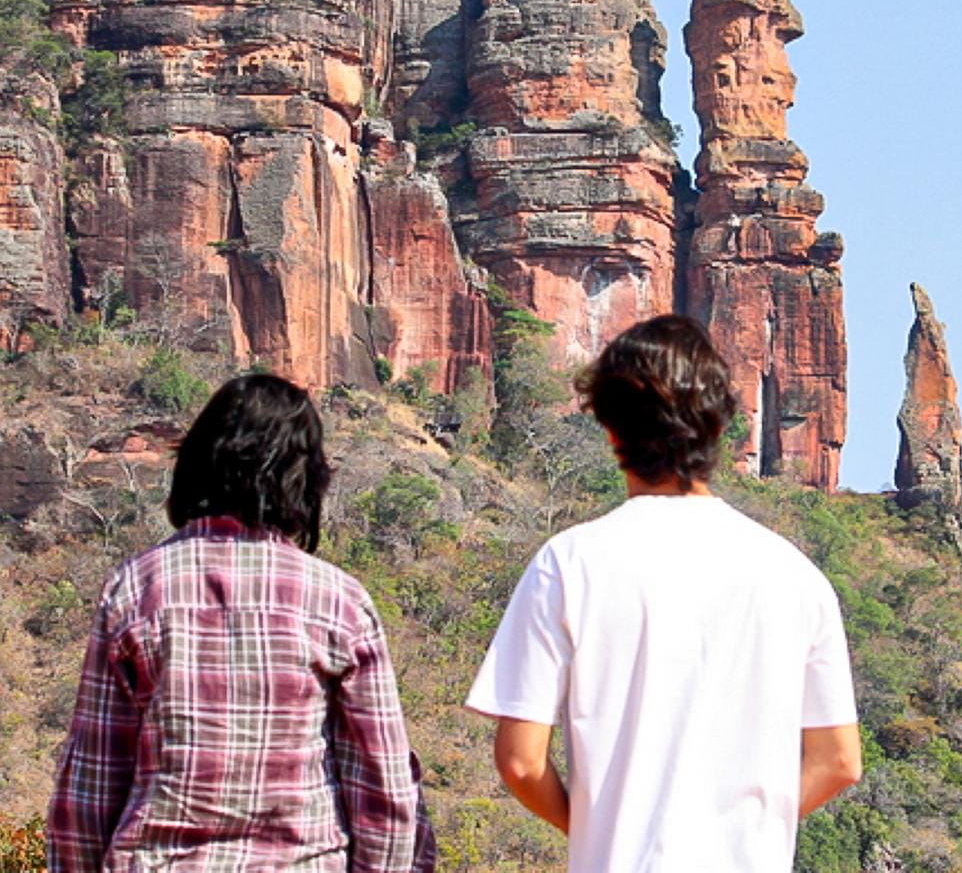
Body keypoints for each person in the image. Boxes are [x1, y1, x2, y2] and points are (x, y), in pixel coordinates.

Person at [466, 314, 861, 871]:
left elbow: (521, 762)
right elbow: (839, 762)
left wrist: (601, 832)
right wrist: (748, 830)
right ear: (721, 425)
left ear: (609, 428)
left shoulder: (569, 562)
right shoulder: (797, 577)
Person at [47, 373, 435, 872]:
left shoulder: (136, 588)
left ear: (198, 463)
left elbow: (92, 779)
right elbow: (384, 788)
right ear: (304, 477)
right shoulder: (339, 601)